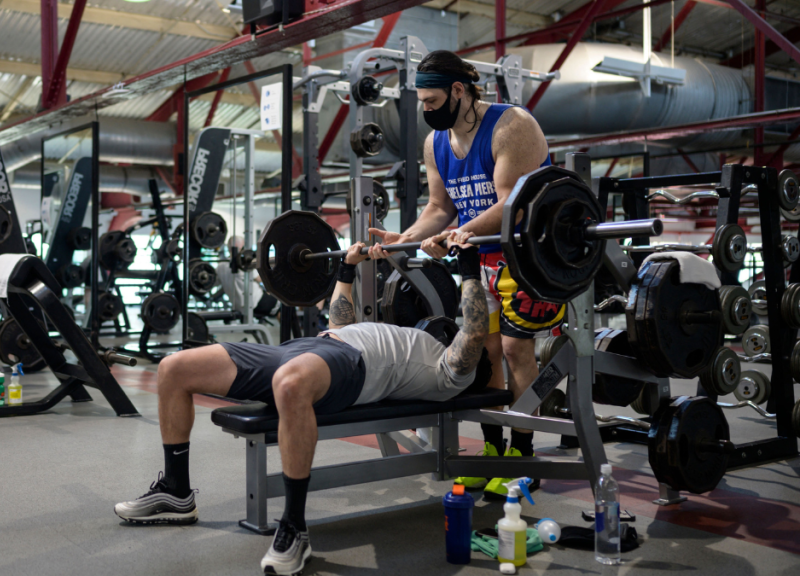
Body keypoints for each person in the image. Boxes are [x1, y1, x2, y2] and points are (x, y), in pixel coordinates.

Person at [113, 232, 489, 576]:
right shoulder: (404, 333)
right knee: (173, 368)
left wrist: (467, 264)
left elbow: (473, 330)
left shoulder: (453, 372)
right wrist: (348, 267)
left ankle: (294, 526)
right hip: (309, 347)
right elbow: (341, 320)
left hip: (350, 368)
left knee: (289, 384)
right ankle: (177, 492)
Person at [367, 50, 563, 499]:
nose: (426, 109)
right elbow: (439, 209)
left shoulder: (512, 126)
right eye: (422, 101)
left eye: (433, 99)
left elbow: (512, 203)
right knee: (485, 351)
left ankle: (523, 453)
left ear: (459, 90)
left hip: (530, 256)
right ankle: (494, 450)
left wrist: (459, 233)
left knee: (516, 349)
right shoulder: (435, 145)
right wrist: (403, 239)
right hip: (480, 259)